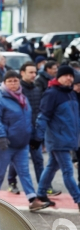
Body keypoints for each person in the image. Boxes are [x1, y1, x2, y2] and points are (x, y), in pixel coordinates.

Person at [0, 71, 50, 211]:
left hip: (21, 143)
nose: (13, 84)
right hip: (4, 143)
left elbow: (27, 119)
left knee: (24, 171)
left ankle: (32, 200)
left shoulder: (22, 97)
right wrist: (1, 137)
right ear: (4, 83)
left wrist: (33, 136)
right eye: (10, 81)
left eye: (15, 80)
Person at [6, 62, 61, 196]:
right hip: (20, 132)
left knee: (38, 159)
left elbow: (39, 111)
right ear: (22, 73)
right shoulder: (18, 91)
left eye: (35, 72)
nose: (33, 75)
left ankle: (44, 187)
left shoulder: (36, 89)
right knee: (18, 160)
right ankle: (12, 182)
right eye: (30, 72)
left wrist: (39, 130)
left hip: (34, 131)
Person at [35, 65, 80, 209]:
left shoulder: (71, 93)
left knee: (52, 167)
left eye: (71, 76)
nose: (69, 78)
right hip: (57, 139)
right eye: (66, 75)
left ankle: (41, 193)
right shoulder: (52, 93)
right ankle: (78, 199)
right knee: (68, 170)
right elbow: (43, 117)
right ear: (58, 77)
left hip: (68, 138)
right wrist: (38, 137)